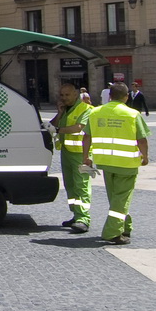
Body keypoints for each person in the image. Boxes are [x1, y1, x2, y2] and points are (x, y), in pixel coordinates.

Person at [82, 82, 150, 245]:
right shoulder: (132, 114)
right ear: (126, 97)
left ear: (110, 96)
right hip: (127, 164)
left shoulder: (96, 112)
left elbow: (86, 137)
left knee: (115, 198)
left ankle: (125, 226)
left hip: (105, 162)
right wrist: (145, 156)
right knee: (121, 198)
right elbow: (142, 139)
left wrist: (86, 157)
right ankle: (112, 232)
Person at [49, 80, 93, 232]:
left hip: (83, 154)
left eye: (67, 94)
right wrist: (59, 113)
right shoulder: (65, 109)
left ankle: (84, 218)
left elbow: (78, 128)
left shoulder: (86, 109)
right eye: (61, 95)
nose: (64, 98)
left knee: (82, 185)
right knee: (70, 186)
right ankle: (76, 214)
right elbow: (52, 125)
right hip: (67, 153)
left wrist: (58, 130)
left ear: (76, 94)